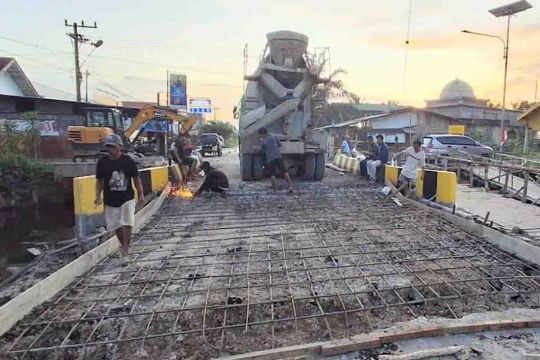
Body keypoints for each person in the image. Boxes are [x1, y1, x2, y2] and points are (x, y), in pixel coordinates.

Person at [95, 134, 144, 265]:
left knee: (127, 223)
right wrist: (97, 196)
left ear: (119, 147)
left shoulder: (128, 161)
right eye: (108, 147)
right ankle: (124, 246)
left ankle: (125, 250)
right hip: (110, 199)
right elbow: (99, 181)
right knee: (116, 226)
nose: (110, 149)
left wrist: (141, 193)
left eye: (112, 146)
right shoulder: (102, 162)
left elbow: (136, 178)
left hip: (126, 197)